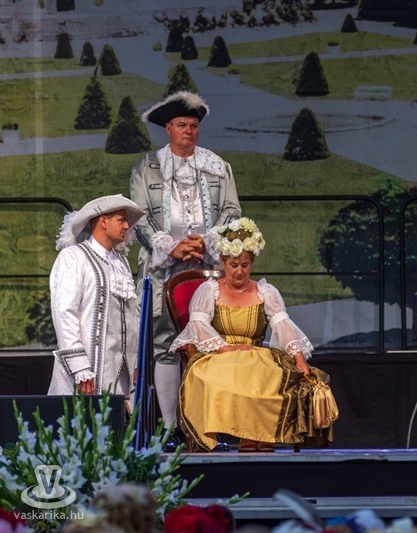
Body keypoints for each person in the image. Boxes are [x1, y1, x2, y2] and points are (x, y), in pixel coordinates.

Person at [130, 91, 241, 451]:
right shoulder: (147, 167)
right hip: (164, 269)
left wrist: (206, 242)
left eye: (193, 126)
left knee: (209, 343)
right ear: (168, 129)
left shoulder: (217, 166)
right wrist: (171, 246)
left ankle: (208, 427)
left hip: (206, 269)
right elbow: (138, 216)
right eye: (182, 125)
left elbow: (232, 211)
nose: (189, 131)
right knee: (165, 344)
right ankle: (170, 429)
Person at [170, 217, 334, 452]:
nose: (239, 271)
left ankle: (262, 436)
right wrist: (227, 348)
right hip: (220, 354)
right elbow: (198, 326)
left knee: (268, 375)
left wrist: (298, 357)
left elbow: (282, 325)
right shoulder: (209, 290)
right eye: (233, 265)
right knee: (227, 374)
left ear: (252, 263)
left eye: (245, 265)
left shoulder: (265, 291)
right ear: (223, 262)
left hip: (255, 354)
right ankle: (247, 436)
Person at [48, 195, 145, 400]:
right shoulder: (74, 257)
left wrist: (136, 360)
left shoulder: (121, 263)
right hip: (86, 372)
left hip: (120, 373)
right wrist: (80, 367)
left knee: (115, 418)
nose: (126, 226)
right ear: (103, 221)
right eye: (121, 220)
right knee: (82, 418)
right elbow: (64, 313)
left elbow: (131, 316)